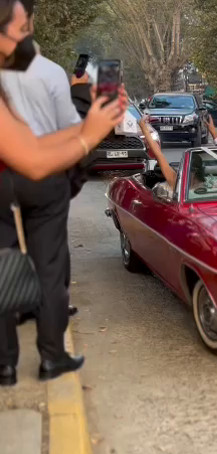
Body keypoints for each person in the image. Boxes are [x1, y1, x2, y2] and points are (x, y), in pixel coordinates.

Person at [0, 0, 126, 386]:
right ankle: (51, 358)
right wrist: (89, 131)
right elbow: (39, 156)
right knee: (51, 271)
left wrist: (92, 125)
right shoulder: (51, 73)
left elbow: (27, 145)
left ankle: (4, 366)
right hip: (43, 177)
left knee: (3, 264)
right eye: (17, 31)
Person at [2, 0, 84, 326]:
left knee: (8, 245)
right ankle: (53, 318)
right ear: (30, 24)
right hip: (44, 168)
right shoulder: (51, 71)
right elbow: (69, 127)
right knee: (51, 249)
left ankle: (16, 312)